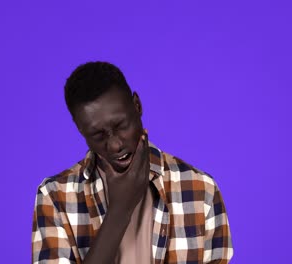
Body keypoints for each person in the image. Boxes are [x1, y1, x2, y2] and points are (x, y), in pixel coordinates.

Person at [32, 62, 233, 263]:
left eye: (121, 126)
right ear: (81, 131)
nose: (114, 145)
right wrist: (120, 210)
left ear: (137, 105)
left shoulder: (201, 189)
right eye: (98, 135)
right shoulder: (55, 197)